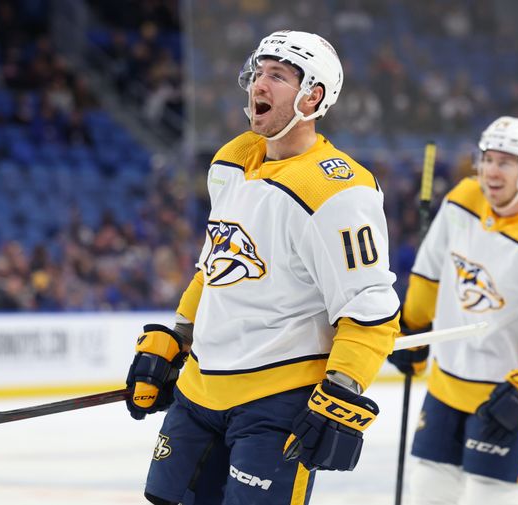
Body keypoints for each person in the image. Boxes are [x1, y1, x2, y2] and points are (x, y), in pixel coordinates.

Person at [125, 30, 402, 504]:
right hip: (199, 392)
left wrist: (343, 387)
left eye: (277, 75)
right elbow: (216, 265)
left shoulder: (339, 190)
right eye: (257, 73)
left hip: (276, 402)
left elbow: (370, 306)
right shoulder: (233, 160)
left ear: (312, 97)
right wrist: (178, 336)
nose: (259, 85)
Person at [388, 116, 518, 504]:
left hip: (506, 400)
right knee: (426, 492)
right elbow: (429, 271)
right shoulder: (463, 199)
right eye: (486, 158)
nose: (490, 170)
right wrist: (413, 330)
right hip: (445, 387)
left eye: (505, 162)